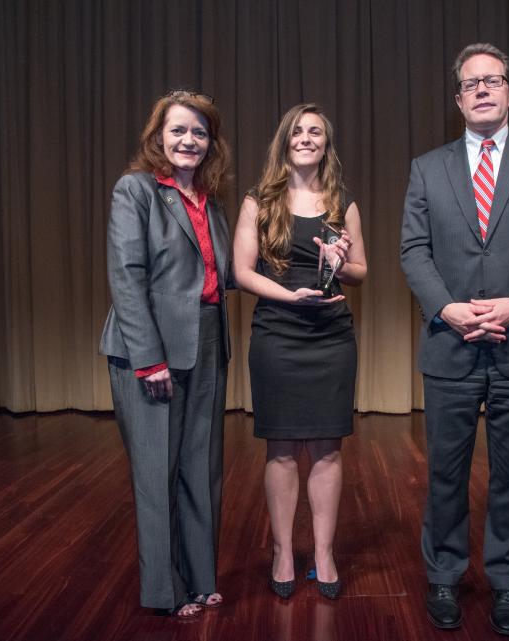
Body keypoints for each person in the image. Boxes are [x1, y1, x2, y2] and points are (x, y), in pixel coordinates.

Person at [400, 44, 509, 635]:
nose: (481, 89)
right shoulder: (427, 167)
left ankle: (506, 585)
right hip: (449, 345)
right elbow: (413, 250)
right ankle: (445, 576)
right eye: (470, 83)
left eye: (492, 80)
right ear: (457, 98)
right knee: (445, 474)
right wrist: (448, 309)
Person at [99, 90, 232, 618]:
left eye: (200, 132)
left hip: (207, 340)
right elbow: (126, 277)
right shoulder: (135, 190)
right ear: (158, 137)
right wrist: (147, 359)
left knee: (201, 469)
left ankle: (201, 579)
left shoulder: (211, 200)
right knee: (157, 473)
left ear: (210, 143)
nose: (189, 140)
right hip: (147, 345)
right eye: (178, 130)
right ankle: (164, 591)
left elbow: (224, 275)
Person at [233, 103, 367, 600]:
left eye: (316, 132)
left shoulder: (341, 201)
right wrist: (289, 295)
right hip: (278, 332)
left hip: (331, 335)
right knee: (283, 449)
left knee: (329, 448)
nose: (306, 138)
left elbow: (361, 270)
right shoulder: (259, 201)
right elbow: (242, 272)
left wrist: (341, 260)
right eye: (298, 131)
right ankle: (284, 551)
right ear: (284, 142)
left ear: (326, 144)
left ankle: (326, 553)